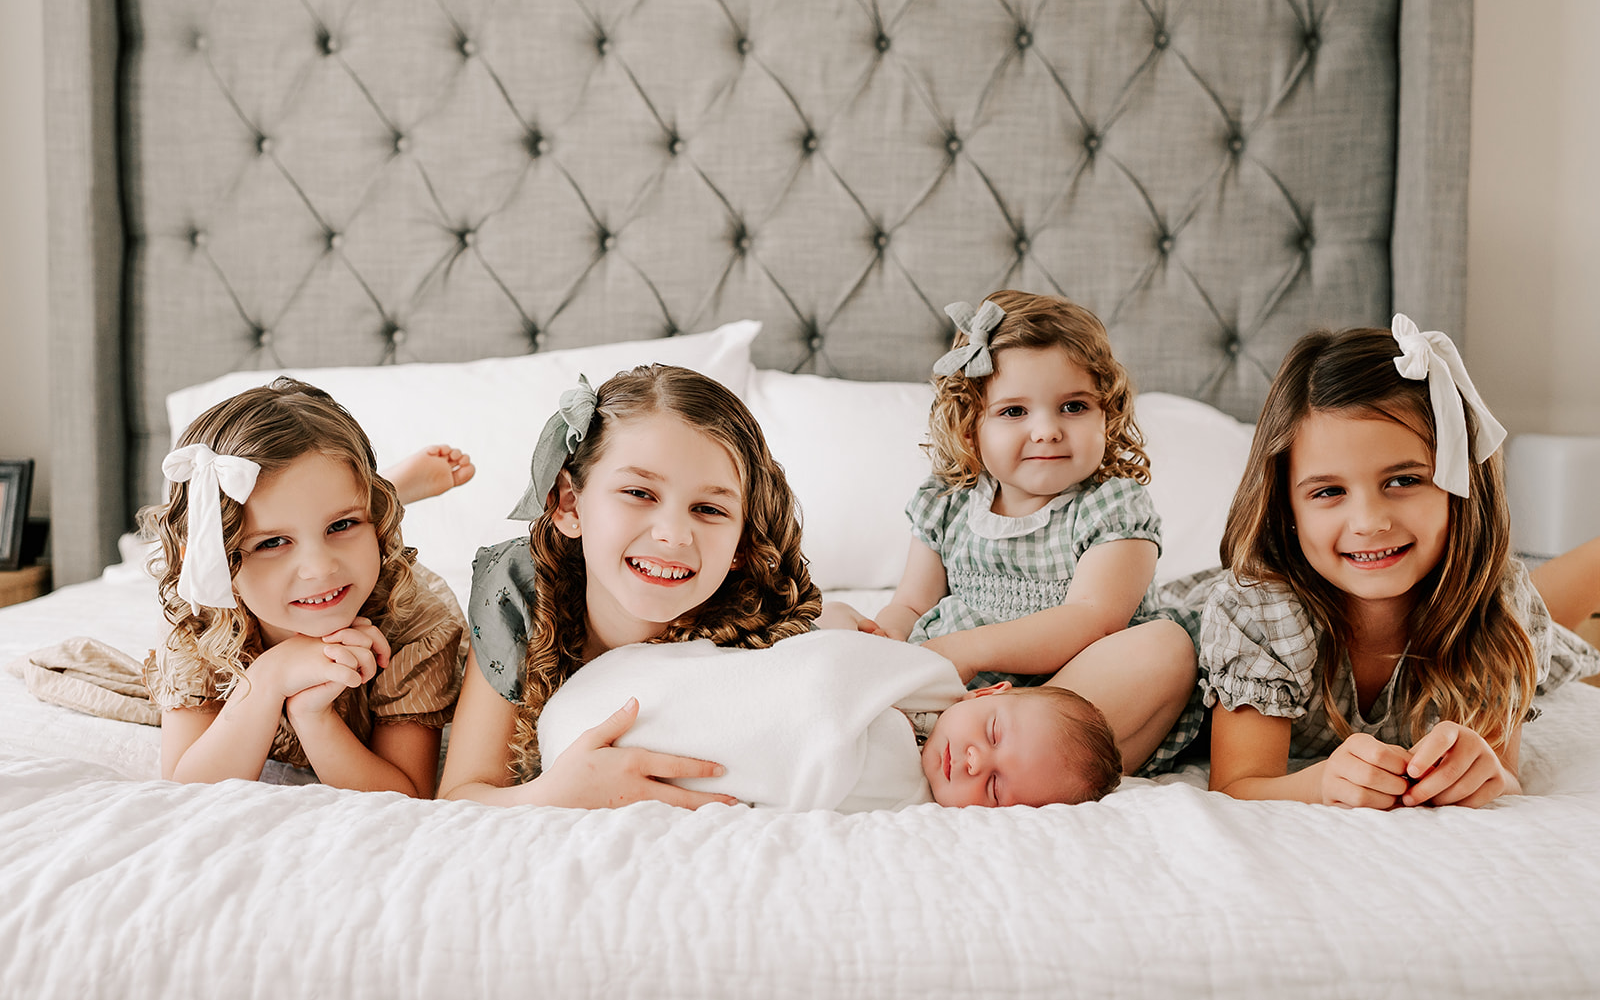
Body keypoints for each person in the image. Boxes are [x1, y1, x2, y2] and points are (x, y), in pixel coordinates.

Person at [1201, 316, 1600, 808]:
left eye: (1404, 480)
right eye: (1328, 491)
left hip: (1456, 598)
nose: (1369, 522)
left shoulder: (1499, 609)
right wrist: (1321, 783)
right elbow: (1238, 785)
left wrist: (1484, 770)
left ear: (1460, 487)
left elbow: (1502, 774)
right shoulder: (1257, 614)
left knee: (1528, 623)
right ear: (1288, 510)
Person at [846, 290, 1201, 776]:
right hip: (963, 695)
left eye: (1073, 407)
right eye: (1014, 412)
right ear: (970, 428)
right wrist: (882, 641)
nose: (1048, 431)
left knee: (1167, 646)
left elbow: (1094, 618)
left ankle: (1026, 766)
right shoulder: (946, 502)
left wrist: (970, 649)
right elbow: (911, 603)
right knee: (832, 624)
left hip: (1074, 697)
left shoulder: (1112, 506)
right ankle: (942, 743)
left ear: (1107, 414)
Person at [437, 364, 823, 808]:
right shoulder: (521, 592)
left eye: (709, 509)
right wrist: (556, 794)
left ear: (741, 545)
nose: (673, 534)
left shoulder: (762, 631)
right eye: (639, 493)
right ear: (569, 504)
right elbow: (461, 796)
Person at [138, 378, 468, 796]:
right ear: (212, 562)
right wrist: (270, 675)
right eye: (272, 542)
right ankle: (376, 497)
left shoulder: (414, 620)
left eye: (342, 524)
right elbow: (188, 788)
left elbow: (407, 795)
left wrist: (313, 715)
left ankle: (383, 493)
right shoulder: (198, 617)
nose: (318, 568)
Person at [536, 630, 1123, 811]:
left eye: (994, 788)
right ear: (984, 692)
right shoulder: (921, 678)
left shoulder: (908, 805)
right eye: (993, 732)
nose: (973, 760)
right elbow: (818, 668)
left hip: (614, 761)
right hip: (614, 697)